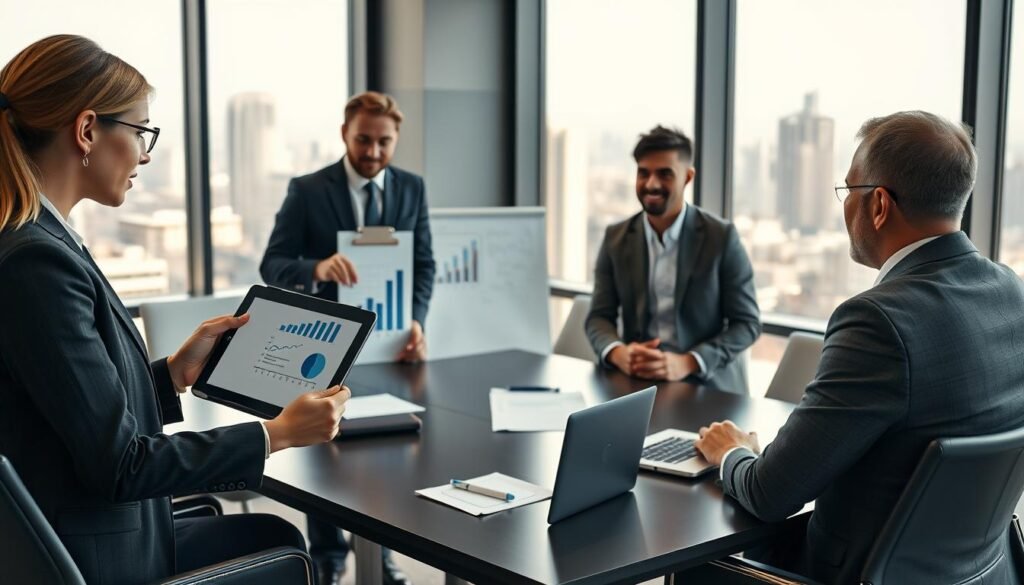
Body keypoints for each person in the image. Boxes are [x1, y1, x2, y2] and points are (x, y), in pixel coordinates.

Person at [0, 35, 351, 585]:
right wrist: (274, 434)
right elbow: (121, 464)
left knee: (275, 535)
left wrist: (171, 376)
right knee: (281, 549)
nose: (144, 153)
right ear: (87, 130)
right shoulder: (36, 261)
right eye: (141, 132)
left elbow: (66, 412)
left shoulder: (42, 240)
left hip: (97, 534)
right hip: (99, 561)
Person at [694, 111, 1024, 584]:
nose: (844, 206)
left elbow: (770, 493)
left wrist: (733, 452)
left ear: (879, 205)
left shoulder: (878, 321)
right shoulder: (1012, 292)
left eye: (849, 190)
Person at [259, 91, 429, 585]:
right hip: (326, 348)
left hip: (390, 344)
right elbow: (272, 265)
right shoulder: (308, 190)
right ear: (344, 134)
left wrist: (417, 318)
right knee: (327, 454)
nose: (373, 152)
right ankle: (330, 559)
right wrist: (317, 267)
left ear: (396, 139)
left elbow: (424, 265)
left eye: (384, 142)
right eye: (363, 139)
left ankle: (383, 550)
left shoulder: (412, 189)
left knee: (390, 453)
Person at [585, 126, 761, 393]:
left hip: (705, 386)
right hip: (636, 384)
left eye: (665, 174)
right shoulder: (616, 238)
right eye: (643, 173)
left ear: (688, 177)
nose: (652, 184)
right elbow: (598, 317)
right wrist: (618, 352)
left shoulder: (721, 237)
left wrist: (688, 362)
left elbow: (747, 324)